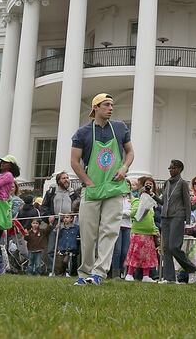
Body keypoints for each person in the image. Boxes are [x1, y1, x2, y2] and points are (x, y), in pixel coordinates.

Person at [70, 93, 134, 286]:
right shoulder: (82, 133)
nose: (111, 108)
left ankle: (99, 273)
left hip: (114, 188)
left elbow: (130, 152)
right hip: (92, 190)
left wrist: (124, 168)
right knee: (88, 233)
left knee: (110, 230)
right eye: (106, 105)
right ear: (96, 107)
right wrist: (88, 182)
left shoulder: (121, 128)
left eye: (112, 105)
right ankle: (84, 273)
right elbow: (74, 161)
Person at [153, 159, 196, 283]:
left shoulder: (183, 183)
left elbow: (187, 203)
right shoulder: (167, 183)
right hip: (165, 217)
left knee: (173, 247)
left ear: (179, 169)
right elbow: (163, 202)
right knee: (166, 248)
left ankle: (192, 269)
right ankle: (170, 278)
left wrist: (188, 220)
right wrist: (152, 195)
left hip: (177, 217)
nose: (170, 170)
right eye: (169, 168)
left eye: (172, 168)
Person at [40, 171, 80, 274]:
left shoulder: (72, 193)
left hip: (69, 224)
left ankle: (65, 271)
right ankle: (51, 270)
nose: (67, 180)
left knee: (68, 248)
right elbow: (44, 207)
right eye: (64, 178)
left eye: (67, 177)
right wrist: (48, 216)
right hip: (55, 223)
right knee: (51, 248)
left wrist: (72, 215)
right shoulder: (52, 192)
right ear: (58, 181)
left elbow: (78, 207)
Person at [124, 176, 159, 282]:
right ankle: (129, 273)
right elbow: (134, 213)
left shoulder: (152, 203)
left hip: (149, 233)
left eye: (151, 184)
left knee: (147, 255)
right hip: (138, 232)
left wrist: (155, 230)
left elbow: (151, 218)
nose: (149, 187)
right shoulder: (136, 201)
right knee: (135, 253)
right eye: (146, 184)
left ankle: (146, 275)